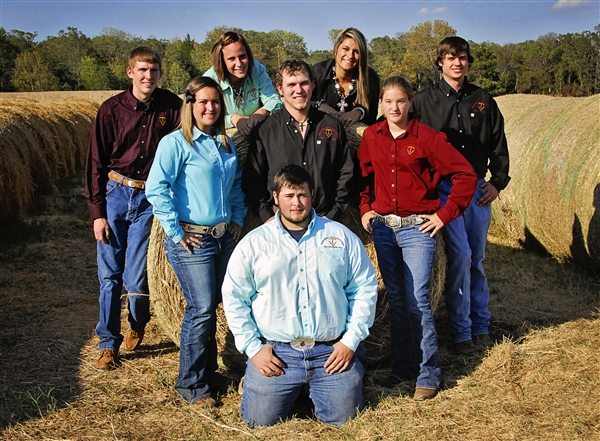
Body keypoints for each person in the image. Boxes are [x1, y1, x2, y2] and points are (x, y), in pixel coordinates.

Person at [222, 164, 378, 427]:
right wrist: (253, 349)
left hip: (331, 353)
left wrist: (350, 342)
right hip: (277, 353)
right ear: (275, 198)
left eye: (302, 195)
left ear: (312, 195)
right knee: (259, 423)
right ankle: (264, 381)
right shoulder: (254, 243)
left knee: (345, 421)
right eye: (289, 195)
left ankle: (326, 386)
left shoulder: (340, 236)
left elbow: (364, 287)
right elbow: (235, 296)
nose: (296, 203)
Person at [357, 76, 476, 399]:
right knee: (396, 300)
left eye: (400, 101)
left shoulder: (428, 138)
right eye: (388, 101)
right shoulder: (372, 135)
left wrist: (443, 215)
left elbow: (466, 175)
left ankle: (429, 372)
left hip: (417, 230)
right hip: (382, 229)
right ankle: (403, 367)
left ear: (410, 103)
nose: (394, 107)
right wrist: (366, 207)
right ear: (380, 104)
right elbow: (363, 178)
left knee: (418, 299)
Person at [145, 76, 247, 406]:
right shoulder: (176, 143)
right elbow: (155, 189)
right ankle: (190, 384)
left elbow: (234, 187)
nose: (210, 107)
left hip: (222, 239)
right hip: (193, 241)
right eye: (203, 101)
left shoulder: (225, 144)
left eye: (215, 102)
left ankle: (207, 372)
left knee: (219, 306)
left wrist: (237, 220)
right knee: (201, 309)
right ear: (190, 105)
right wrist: (175, 232)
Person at [411, 36, 510, 354]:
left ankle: (481, 324)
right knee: (461, 257)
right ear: (440, 62)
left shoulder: (483, 100)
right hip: (445, 191)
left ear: (468, 62)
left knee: (476, 261)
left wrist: (498, 182)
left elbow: (498, 143)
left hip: (478, 191)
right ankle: (461, 331)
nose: (457, 62)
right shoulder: (423, 101)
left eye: (463, 57)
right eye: (450, 57)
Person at [85, 46, 182, 370]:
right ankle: (108, 344)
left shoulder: (172, 106)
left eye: (153, 71)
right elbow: (96, 162)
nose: (148, 76)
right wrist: (97, 213)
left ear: (159, 73)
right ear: (130, 73)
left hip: (148, 198)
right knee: (109, 275)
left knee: (138, 276)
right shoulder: (111, 110)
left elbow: (188, 138)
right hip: (115, 193)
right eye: (141, 70)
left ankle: (138, 323)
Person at [244, 58, 354, 223]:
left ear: (313, 84)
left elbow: (345, 173)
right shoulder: (264, 131)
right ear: (280, 89)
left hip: (323, 221)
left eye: (304, 83)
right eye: (291, 85)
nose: (299, 90)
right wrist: (266, 216)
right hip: (280, 224)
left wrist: (333, 215)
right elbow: (253, 178)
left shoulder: (332, 126)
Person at [204, 31, 282, 136]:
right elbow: (204, 117)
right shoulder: (209, 80)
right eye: (231, 59)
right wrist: (232, 119)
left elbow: (274, 100)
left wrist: (262, 112)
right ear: (221, 61)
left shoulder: (258, 70)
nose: (239, 64)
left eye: (242, 56)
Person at [311, 28, 380, 127]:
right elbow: (302, 102)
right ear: (336, 49)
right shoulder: (318, 72)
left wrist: (359, 112)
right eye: (346, 49)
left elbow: (372, 116)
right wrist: (320, 105)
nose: (350, 55)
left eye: (356, 51)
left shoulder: (370, 78)